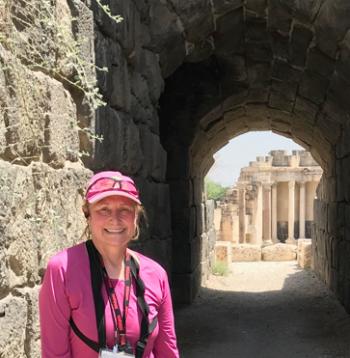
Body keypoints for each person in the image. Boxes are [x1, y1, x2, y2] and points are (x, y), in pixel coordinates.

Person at [39, 171, 180, 358]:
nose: (115, 218)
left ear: (136, 217)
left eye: (125, 209)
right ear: (88, 216)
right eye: (103, 209)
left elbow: (168, 351)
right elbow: (54, 353)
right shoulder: (63, 270)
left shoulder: (155, 274)